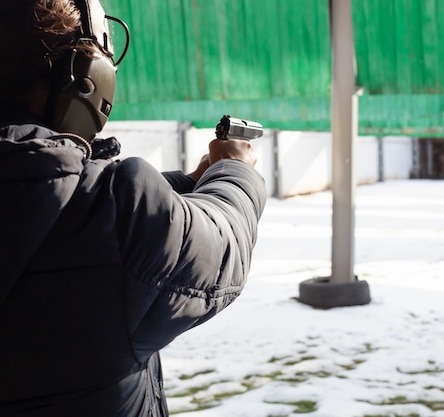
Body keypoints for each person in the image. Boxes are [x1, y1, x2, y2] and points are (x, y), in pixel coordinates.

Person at [0, 0, 266, 416]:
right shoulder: (117, 215)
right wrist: (235, 169)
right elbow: (221, 246)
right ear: (86, 80)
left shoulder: (108, 210)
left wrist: (192, 182)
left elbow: (62, 200)